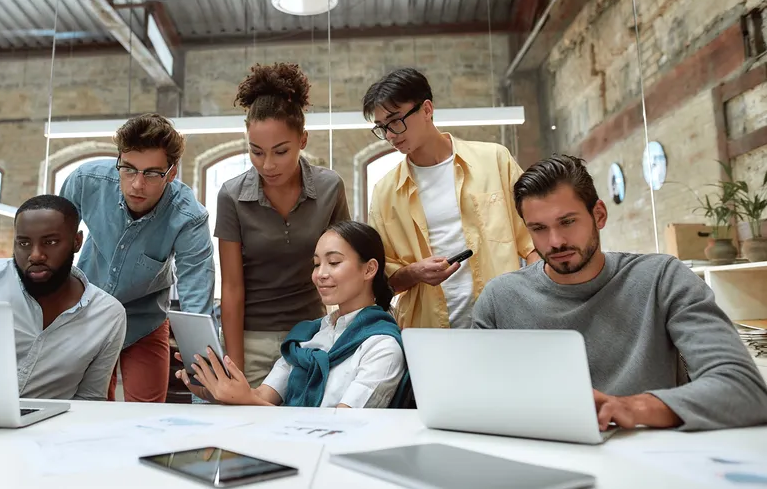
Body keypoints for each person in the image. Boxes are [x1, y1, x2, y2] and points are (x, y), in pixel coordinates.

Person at [474, 154, 767, 431]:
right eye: (539, 228)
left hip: (649, 456)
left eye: (567, 222)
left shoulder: (662, 278)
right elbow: (475, 399)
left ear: (598, 215)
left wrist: (631, 408)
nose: (555, 242)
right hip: (542, 456)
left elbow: (744, 389)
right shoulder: (500, 299)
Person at [363, 67, 538, 330]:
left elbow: (535, 241)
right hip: (430, 333)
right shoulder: (385, 193)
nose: (390, 135)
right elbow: (379, 282)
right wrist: (414, 272)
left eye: (396, 121)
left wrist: (536, 298)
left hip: (506, 321)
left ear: (427, 109)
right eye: (382, 127)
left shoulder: (494, 161)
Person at [59, 114, 215, 403]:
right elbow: (55, 246)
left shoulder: (189, 218)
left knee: (147, 414)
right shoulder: (85, 181)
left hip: (145, 320)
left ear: (171, 172)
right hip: (88, 312)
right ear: (118, 159)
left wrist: (205, 398)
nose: (137, 185)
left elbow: (197, 307)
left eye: (152, 173)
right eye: (129, 169)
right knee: (86, 409)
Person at [216, 62, 351, 387]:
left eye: (280, 151)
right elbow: (232, 289)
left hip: (312, 335)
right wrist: (235, 366)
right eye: (256, 151)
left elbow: (346, 267)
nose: (268, 164)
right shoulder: (231, 196)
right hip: (250, 339)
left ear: (302, 140)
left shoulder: (330, 188)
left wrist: (349, 336)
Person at [177, 221, 406, 408]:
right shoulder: (307, 336)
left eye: (334, 262)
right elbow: (261, 398)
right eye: (316, 264)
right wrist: (213, 390)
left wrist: (248, 400)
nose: (320, 274)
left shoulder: (382, 347)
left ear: (369, 269)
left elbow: (340, 426)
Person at [0, 195, 126, 401]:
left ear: (76, 241)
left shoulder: (107, 314)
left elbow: (90, 398)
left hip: (48, 429)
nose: (35, 255)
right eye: (24, 243)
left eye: (50, 242)